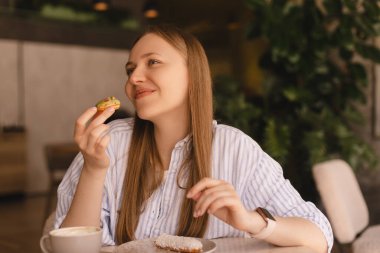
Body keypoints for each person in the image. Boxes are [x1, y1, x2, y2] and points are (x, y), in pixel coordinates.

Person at [54, 24, 333, 253]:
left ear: (193, 75)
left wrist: (250, 221)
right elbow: (69, 249)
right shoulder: (109, 143)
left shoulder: (234, 148)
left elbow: (318, 235)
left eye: (153, 62)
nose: (134, 78)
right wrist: (94, 169)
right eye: (130, 69)